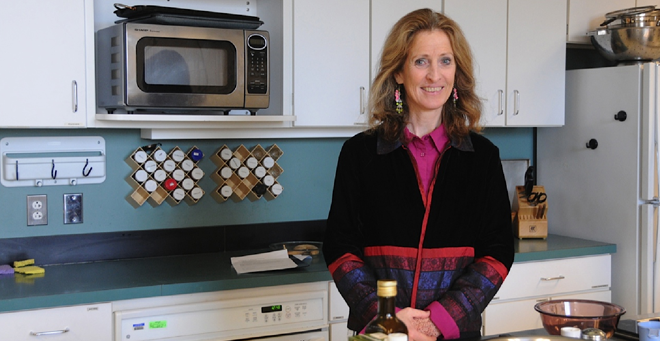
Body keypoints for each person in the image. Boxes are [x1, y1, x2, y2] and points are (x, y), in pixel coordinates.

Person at [322, 8, 515, 341]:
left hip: (455, 331)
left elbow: (497, 252)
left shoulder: (482, 157)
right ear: (398, 72)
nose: (434, 75)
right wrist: (391, 319)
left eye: (445, 61)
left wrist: (437, 320)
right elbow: (340, 248)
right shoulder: (360, 153)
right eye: (421, 61)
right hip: (381, 332)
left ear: (457, 72)